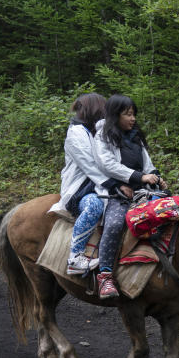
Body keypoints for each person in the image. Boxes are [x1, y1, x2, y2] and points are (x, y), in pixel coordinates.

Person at [92, 94, 165, 299]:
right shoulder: (103, 137)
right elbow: (107, 164)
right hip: (116, 190)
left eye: (133, 114)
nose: (132, 119)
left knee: (172, 211)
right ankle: (105, 275)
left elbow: (147, 164)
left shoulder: (135, 136)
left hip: (142, 188)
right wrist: (139, 177)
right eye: (127, 114)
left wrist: (157, 178)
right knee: (115, 223)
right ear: (115, 115)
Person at [47, 92, 108, 275]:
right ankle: (75, 257)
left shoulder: (93, 132)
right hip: (80, 190)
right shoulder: (76, 134)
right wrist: (114, 184)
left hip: (96, 185)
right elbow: (92, 166)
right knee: (94, 206)